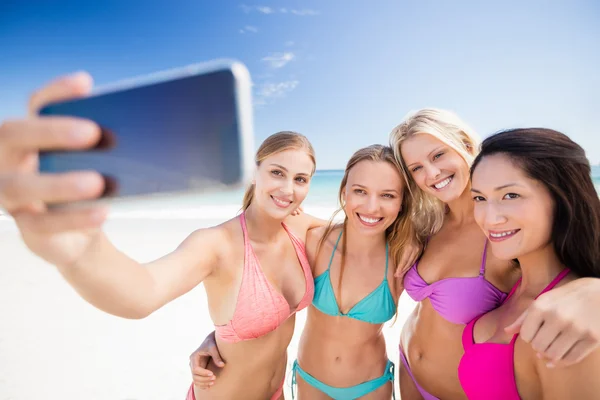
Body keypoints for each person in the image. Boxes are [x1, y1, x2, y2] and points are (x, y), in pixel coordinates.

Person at [0, 72, 325, 400]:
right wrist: (82, 252)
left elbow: (365, 233)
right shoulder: (216, 244)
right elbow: (143, 291)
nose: (288, 189)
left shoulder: (301, 228)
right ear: (255, 173)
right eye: (277, 173)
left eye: (301, 179)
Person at [389, 109, 600, 399]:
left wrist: (593, 290)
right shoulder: (427, 223)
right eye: (416, 168)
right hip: (408, 367)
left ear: (465, 144)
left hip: (454, 389)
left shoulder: (508, 236)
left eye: (438, 155)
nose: (431, 173)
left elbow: (579, 239)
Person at [191, 145, 418, 399]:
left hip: (371, 386)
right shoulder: (313, 241)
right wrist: (218, 337)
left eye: (387, 195)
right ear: (344, 192)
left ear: (402, 202)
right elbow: (257, 287)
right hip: (311, 383)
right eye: (359, 191)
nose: (371, 206)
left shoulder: (404, 257)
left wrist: (414, 237)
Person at [458, 127, 600, 399]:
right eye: (479, 198)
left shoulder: (571, 326)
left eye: (511, 195)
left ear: (562, 199)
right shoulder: (512, 282)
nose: (490, 218)